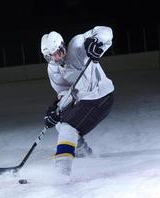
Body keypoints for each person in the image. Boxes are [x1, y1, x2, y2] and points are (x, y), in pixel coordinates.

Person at [41, 26, 115, 176]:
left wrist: (95, 41)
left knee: (68, 128)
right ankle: (82, 151)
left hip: (101, 96)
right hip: (85, 100)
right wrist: (56, 110)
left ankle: (62, 173)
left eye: (58, 52)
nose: (56, 58)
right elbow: (64, 92)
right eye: (51, 56)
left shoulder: (76, 46)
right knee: (60, 123)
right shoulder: (53, 69)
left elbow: (106, 32)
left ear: (63, 45)